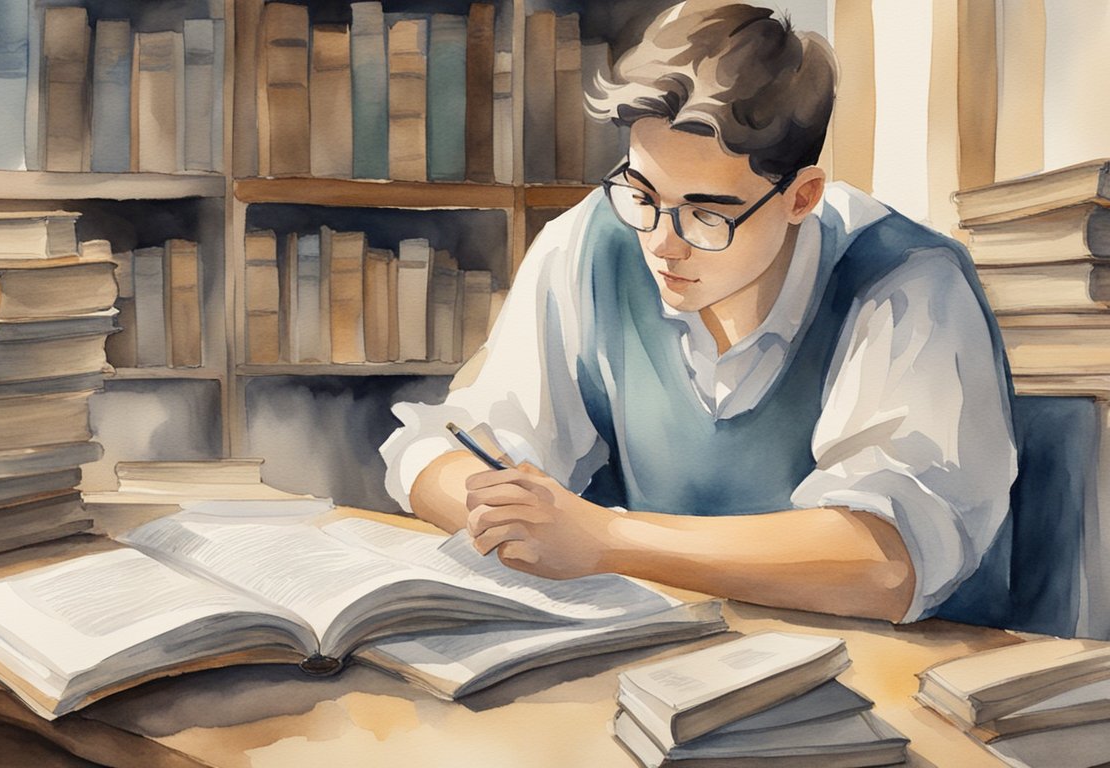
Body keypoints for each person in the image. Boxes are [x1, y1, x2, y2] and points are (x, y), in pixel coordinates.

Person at [379, 0, 1017, 624]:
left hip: (906, 667)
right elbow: (449, 445)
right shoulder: (593, 239)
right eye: (642, 193)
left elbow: (887, 561)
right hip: (677, 646)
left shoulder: (907, 279)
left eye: (708, 212)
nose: (662, 242)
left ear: (801, 197)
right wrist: (502, 509)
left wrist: (604, 539)